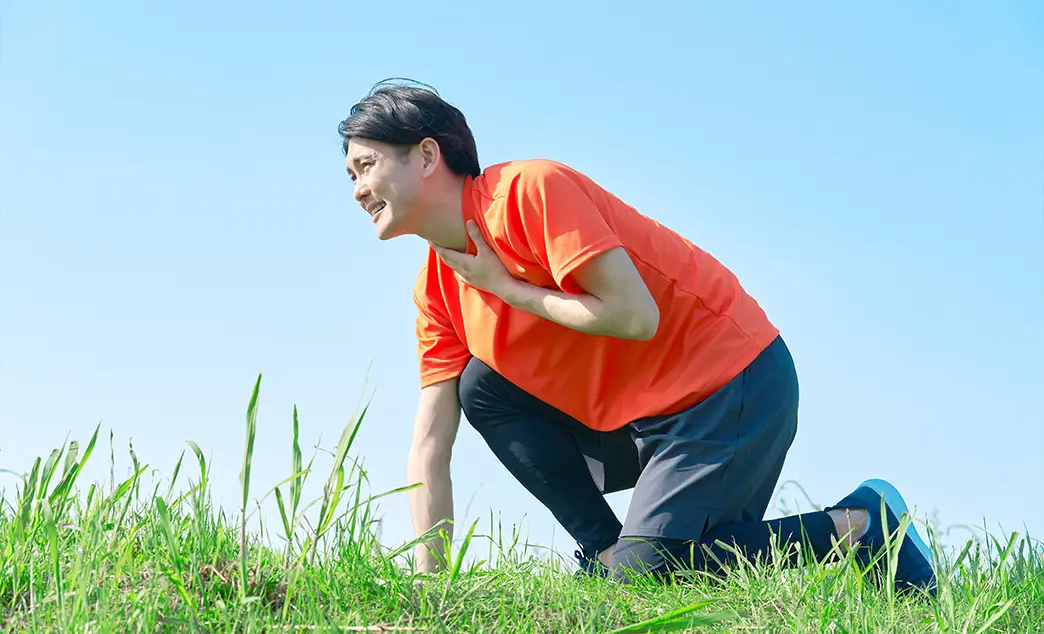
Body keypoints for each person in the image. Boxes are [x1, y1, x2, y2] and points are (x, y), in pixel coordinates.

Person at [336, 80, 937, 594]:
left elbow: (635, 317)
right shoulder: (437, 287)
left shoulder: (528, 192)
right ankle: (603, 550)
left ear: (426, 154)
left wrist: (511, 290)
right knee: (481, 385)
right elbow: (429, 448)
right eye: (349, 175)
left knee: (648, 578)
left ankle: (865, 525)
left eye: (366, 167)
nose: (357, 190)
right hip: (639, 423)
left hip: (730, 385)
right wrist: (431, 593)